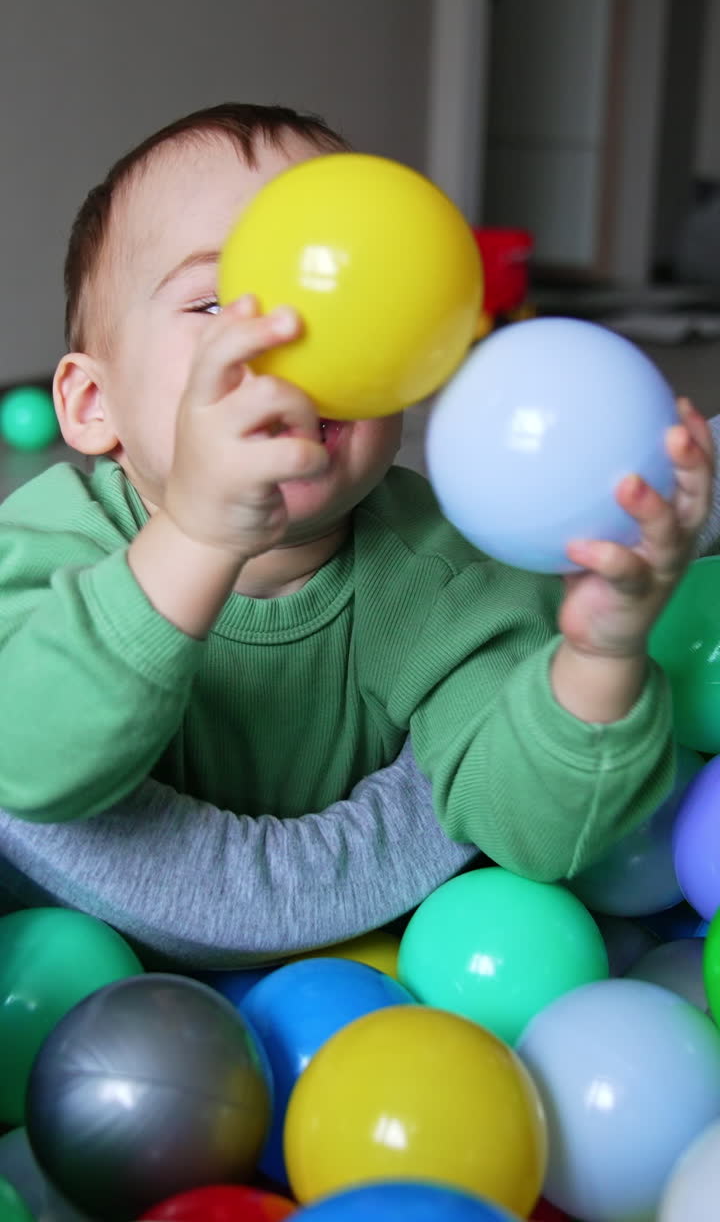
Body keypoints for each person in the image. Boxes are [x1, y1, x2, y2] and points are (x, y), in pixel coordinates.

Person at [0, 103, 713, 969]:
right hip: (57, 945)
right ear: (89, 404)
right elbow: (28, 766)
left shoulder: (446, 573)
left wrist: (602, 655)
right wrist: (196, 533)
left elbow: (536, 836)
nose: (298, 342)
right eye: (218, 299)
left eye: (343, 296)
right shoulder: (50, 536)